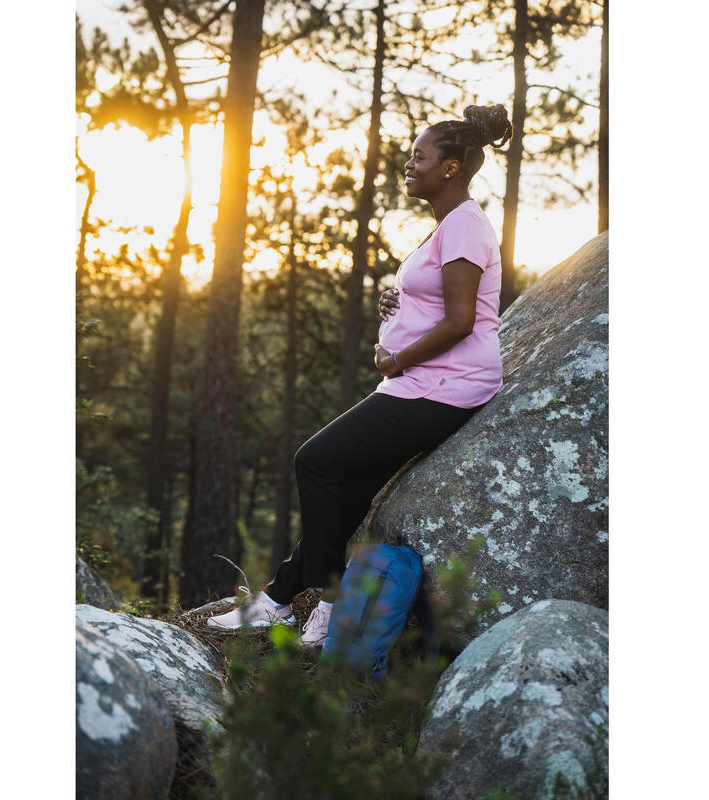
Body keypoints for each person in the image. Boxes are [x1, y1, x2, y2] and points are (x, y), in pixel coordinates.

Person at [205, 103, 512, 648]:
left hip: (445, 385)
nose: (408, 164)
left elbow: (464, 320)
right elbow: (442, 301)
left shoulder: (464, 225)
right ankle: (279, 597)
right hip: (426, 380)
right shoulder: (450, 225)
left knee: (315, 461)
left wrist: (397, 359)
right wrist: (399, 302)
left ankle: (325, 599)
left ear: (451, 167)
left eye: (420, 156)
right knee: (349, 491)